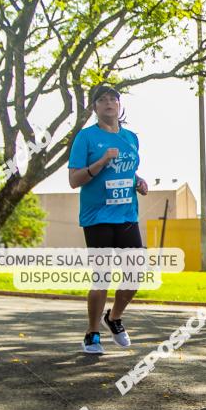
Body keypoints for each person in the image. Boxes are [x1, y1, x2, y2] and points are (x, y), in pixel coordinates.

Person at [68, 85, 148, 354]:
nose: (108, 103)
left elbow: (130, 171)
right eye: (102, 100)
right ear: (95, 108)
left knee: (135, 274)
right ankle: (92, 334)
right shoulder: (86, 138)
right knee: (102, 277)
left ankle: (113, 318)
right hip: (97, 217)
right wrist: (101, 162)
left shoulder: (131, 138)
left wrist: (139, 181)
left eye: (113, 98)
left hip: (127, 215)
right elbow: (73, 180)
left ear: (119, 105)